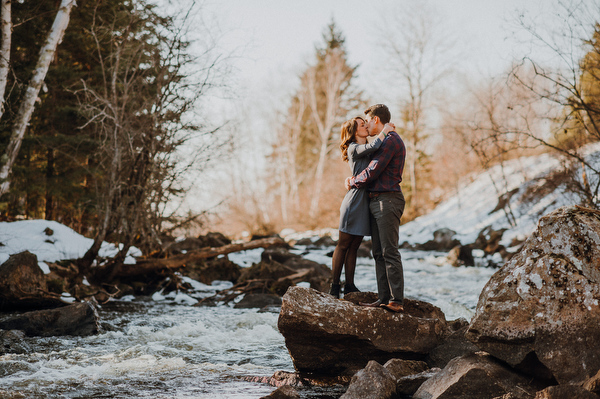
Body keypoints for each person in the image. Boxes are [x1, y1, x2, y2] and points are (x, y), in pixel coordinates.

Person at [344, 104, 406, 312]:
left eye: (368, 120)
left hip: (388, 200)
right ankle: (383, 298)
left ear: (376, 121)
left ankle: (396, 301)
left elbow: (372, 171)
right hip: (377, 201)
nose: (367, 124)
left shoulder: (391, 141)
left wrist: (353, 181)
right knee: (378, 253)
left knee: (389, 251)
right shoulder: (384, 141)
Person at [329, 116, 395, 298]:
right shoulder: (353, 148)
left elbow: (378, 152)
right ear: (353, 131)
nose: (366, 126)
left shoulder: (370, 147)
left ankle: (349, 285)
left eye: (365, 123)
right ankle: (334, 286)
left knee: (355, 246)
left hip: (367, 201)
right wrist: (386, 129)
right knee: (343, 245)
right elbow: (373, 147)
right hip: (354, 200)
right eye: (361, 124)